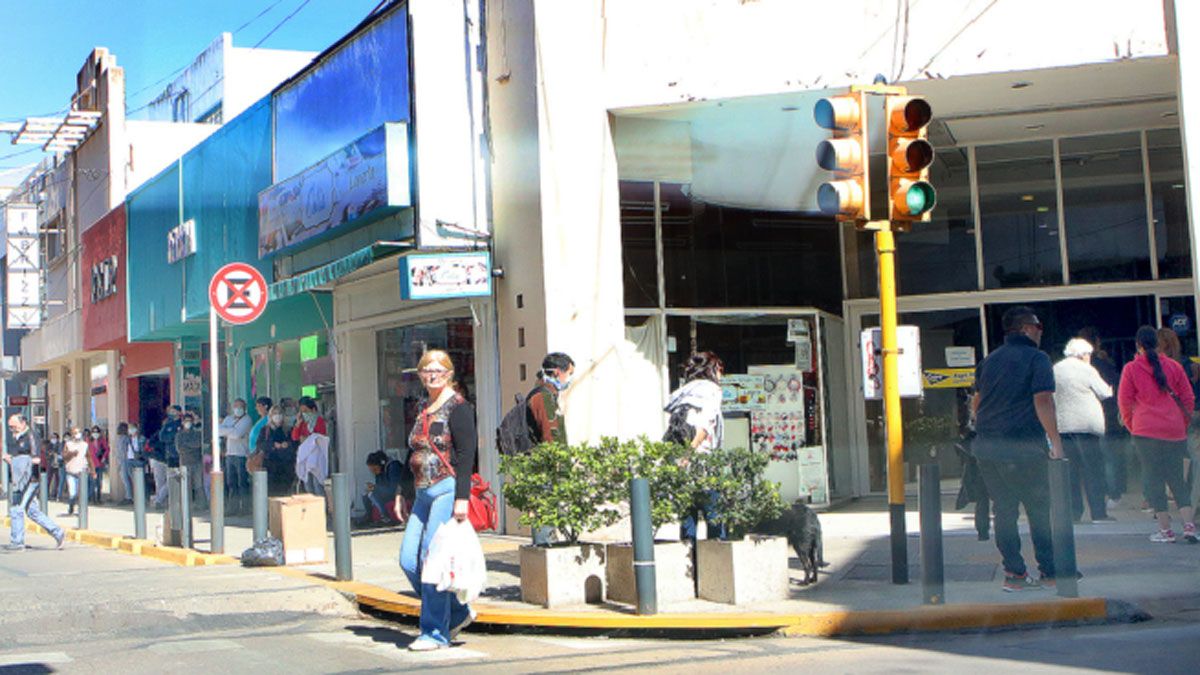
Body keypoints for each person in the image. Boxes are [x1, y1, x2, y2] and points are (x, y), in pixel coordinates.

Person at [971, 306, 1062, 592]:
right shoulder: (1037, 358)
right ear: (1026, 328)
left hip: (987, 447)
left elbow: (977, 402)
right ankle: (1050, 571)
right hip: (1023, 447)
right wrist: (1055, 441)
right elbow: (1043, 400)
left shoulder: (989, 361)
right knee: (1038, 508)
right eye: (1038, 326)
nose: (1041, 331)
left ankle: (1014, 573)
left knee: (1004, 510)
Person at [399, 350, 478, 651]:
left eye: (438, 370)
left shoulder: (458, 407)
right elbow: (412, 451)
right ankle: (456, 612)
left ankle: (434, 632)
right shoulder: (422, 407)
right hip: (421, 493)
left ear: (449, 374)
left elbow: (467, 454)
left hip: (446, 489)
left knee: (431, 561)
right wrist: (401, 491)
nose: (432, 375)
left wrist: (462, 498)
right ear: (420, 375)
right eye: (426, 370)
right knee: (409, 560)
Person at [1118, 326, 1197, 543]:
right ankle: (1189, 526)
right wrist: (1181, 422)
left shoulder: (1131, 369)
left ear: (1138, 345)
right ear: (1157, 344)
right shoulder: (1174, 367)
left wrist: (1133, 425)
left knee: (1154, 479)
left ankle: (1165, 530)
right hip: (1174, 431)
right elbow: (1188, 398)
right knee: (1177, 479)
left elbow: (1124, 402)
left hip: (1145, 431)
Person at [666, 351, 726, 541]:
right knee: (715, 518)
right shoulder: (712, 390)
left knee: (688, 520)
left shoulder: (684, 391)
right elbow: (705, 427)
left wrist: (681, 458)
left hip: (680, 465)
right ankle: (715, 558)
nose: (721, 374)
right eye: (720, 369)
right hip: (702, 462)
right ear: (712, 369)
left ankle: (689, 558)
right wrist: (689, 453)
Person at [1054, 338, 1115, 523]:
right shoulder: (1086, 369)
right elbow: (1104, 392)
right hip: (1087, 426)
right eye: (1089, 354)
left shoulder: (1056, 369)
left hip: (1064, 425)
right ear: (1083, 355)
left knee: (1071, 472)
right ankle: (1098, 513)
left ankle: (1074, 513)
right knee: (1093, 470)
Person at [525, 352, 574, 544]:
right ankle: (544, 548)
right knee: (545, 513)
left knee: (548, 512)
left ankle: (546, 544)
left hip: (544, 464)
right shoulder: (542, 397)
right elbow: (550, 435)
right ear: (557, 372)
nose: (569, 379)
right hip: (544, 466)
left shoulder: (546, 394)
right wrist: (560, 467)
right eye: (569, 374)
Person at [1077, 327, 1125, 509]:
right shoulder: (1104, 365)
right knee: (1109, 458)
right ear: (1096, 343)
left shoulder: (1076, 368)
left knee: (1091, 460)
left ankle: (1100, 495)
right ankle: (1113, 494)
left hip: (1084, 419)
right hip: (1106, 416)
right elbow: (1114, 388)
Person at [3, 414, 65, 552]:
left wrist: (15, 461)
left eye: (14, 426)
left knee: (16, 509)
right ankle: (57, 532)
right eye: (10, 427)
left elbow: (36, 459)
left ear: (22, 423)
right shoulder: (16, 438)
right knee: (32, 512)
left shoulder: (31, 436)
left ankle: (17, 541)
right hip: (20, 480)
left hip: (30, 479)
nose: (12, 429)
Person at [219, 398, 253, 514]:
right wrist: (231, 431)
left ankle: (245, 508)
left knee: (242, 482)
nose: (238, 409)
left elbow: (237, 434)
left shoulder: (247, 420)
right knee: (231, 483)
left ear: (244, 408)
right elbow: (218, 431)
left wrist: (227, 431)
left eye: (240, 407)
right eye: (236, 407)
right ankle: (233, 508)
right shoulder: (229, 419)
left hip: (242, 454)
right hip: (230, 454)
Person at [357, 450, 407, 526]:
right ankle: (369, 515)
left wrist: (376, 488)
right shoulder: (380, 472)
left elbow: (394, 489)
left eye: (375, 469)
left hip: (399, 493)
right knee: (366, 493)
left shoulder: (393, 467)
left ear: (381, 464)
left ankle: (386, 518)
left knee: (372, 494)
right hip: (388, 492)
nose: (374, 472)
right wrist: (373, 488)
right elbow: (380, 485)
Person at [256, 404, 293, 494]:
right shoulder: (265, 430)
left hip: (285, 466)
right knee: (271, 491)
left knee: (284, 491)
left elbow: (294, 443)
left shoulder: (287, 429)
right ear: (271, 416)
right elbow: (260, 444)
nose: (278, 416)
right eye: (275, 414)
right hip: (270, 464)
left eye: (280, 413)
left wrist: (287, 444)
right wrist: (273, 445)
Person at [152, 406, 183, 509]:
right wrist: (172, 436)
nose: (172, 413)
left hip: (181, 455)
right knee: (171, 478)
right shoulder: (167, 424)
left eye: (174, 411)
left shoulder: (182, 423)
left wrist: (174, 436)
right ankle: (160, 499)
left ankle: (173, 500)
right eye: (171, 411)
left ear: (179, 412)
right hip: (171, 456)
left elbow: (182, 436)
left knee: (179, 478)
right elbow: (162, 437)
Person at [175, 412, 206, 510]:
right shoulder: (179, 435)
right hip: (185, 463)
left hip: (197, 462)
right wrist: (191, 446)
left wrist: (187, 445)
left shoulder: (197, 433)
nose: (188, 423)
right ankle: (186, 506)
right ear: (182, 422)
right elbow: (180, 449)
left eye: (189, 421)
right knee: (186, 486)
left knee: (199, 485)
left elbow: (198, 444)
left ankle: (201, 505)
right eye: (186, 421)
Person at [119, 422, 149, 505]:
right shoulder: (127, 439)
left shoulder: (142, 439)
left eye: (132, 428)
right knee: (133, 480)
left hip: (139, 461)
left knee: (141, 480)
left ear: (137, 429)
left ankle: (143, 498)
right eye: (129, 428)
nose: (130, 430)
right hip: (129, 460)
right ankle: (136, 498)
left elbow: (146, 449)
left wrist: (143, 457)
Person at [62, 427, 90, 516]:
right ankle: (71, 506)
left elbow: (88, 457)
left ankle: (81, 510)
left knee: (81, 493)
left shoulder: (85, 445)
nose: (77, 434)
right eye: (75, 433)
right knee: (73, 493)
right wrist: (71, 453)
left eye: (79, 432)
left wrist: (91, 469)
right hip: (71, 472)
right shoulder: (68, 444)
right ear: (72, 434)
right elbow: (64, 457)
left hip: (81, 472)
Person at [87, 425, 110, 504]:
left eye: (97, 432)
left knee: (99, 482)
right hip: (91, 464)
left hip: (100, 463)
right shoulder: (88, 440)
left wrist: (104, 457)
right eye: (94, 432)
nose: (95, 433)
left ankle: (98, 498)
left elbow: (107, 449)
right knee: (93, 482)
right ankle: (93, 499)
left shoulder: (102, 440)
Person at [47, 432, 63, 501]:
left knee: (57, 480)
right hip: (50, 463)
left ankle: (56, 494)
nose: (53, 439)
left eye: (54, 437)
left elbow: (60, 453)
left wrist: (54, 453)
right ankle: (47, 494)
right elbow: (47, 453)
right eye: (52, 437)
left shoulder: (59, 445)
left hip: (58, 464)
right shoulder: (49, 445)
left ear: (57, 438)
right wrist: (50, 454)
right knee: (48, 479)